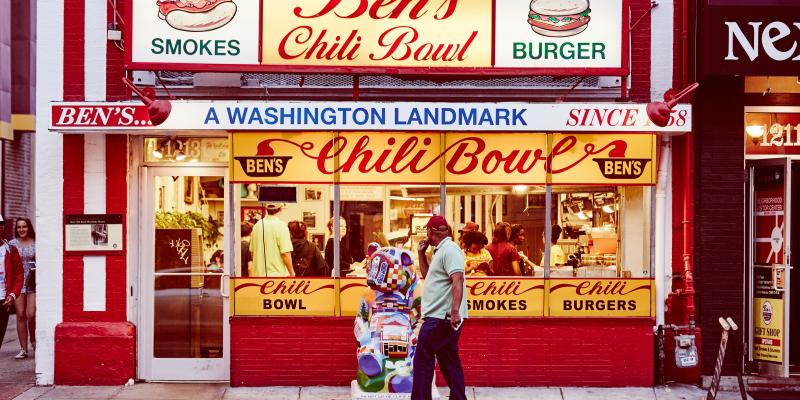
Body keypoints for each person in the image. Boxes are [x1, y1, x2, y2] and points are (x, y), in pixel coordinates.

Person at [412, 215, 468, 400]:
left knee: (422, 360)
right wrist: (421, 254)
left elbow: (457, 279)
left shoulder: (450, 250)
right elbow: (429, 275)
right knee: (449, 361)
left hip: (441, 317)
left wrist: (454, 312)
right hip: (443, 317)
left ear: (431, 232)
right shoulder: (440, 251)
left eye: (427, 231)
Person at [10, 217, 36, 358]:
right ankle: (23, 349)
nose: (21, 229)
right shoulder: (12, 244)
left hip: (32, 282)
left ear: (29, 227)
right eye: (19, 227)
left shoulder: (36, 242)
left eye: (24, 226)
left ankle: (34, 340)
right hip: (18, 282)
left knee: (30, 314)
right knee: (20, 315)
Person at [0, 215, 24, 355]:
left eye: (1, 224)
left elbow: (18, 275)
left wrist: (13, 294)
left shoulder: (10, 249)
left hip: (4, 299)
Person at [250, 203, 295, 277]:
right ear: (281, 209)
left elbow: (252, 252)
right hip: (277, 276)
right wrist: (292, 273)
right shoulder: (281, 226)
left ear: (266, 209)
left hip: (258, 275)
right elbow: (285, 253)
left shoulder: (257, 225)